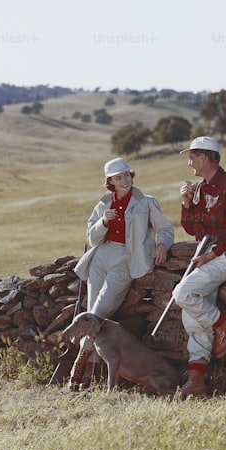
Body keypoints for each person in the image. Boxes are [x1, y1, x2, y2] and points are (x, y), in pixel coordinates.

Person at [64, 157, 174, 389]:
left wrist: (163, 244)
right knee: (92, 315)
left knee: (97, 313)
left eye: (127, 175)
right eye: (118, 178)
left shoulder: (145, 202)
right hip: (101, 256)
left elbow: (165, 228)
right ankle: (89, 376)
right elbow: (92, 238)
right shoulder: (104, 203)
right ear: (109, 181)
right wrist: (104, 222)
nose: (124, 181)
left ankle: (80, 366)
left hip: (127, 258)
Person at [172, 136, 226, 398]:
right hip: (205, 253)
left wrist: (212, 254)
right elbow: (193, 228)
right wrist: (187, 204)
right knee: (192, 319)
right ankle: (197, 381)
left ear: (205, 158)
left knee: (183, 295)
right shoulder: (202, 189)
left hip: (224, 255)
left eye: (192, 157)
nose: (189, 162)